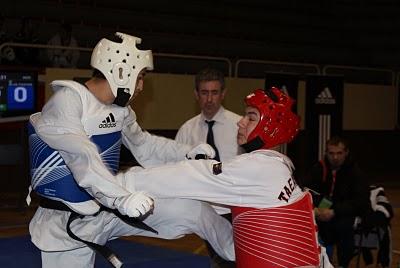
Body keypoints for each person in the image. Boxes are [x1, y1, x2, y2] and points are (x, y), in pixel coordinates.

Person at [28, 32, 234, 268]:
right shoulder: (66, 103)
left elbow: (144, 145)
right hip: (66, 222)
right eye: (140, 77)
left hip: (107, 208)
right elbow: (83, 159)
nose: (142, 86)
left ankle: (244, 254)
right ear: (121, 72)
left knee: (193, 210)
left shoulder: (119, 109)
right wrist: (122, 199)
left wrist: (186, 153)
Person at [119, 87, 333, 267]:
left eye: (251, 117)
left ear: (270, 127)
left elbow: (191, 176)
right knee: (195, 210)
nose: (240, 122)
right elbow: (228, 236)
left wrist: (119, 184)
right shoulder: (279, 168)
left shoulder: (259, 168)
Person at [175, 67, 242, 265]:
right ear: (196, 95)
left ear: (223, 94)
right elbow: (177, 170)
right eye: (204, 93)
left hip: (236, 207)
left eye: (214, 92)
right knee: (221, 261)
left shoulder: (240, 125)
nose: (209, 99)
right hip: (206, 210)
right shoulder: (187, 130)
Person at [302, 136, 370, 267]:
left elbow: (360, 201)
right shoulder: (318, 168)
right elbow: (307, 191)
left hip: (344, 212)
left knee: (342, 226)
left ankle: (343, 264)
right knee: (312, 224)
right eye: (331, 153)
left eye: (339, 153)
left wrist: (334, 211)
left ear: (346, 153)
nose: (335, 157)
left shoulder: (356, 173)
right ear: (326, 153)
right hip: (323, 210)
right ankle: (321, 262)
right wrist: (317, 209)